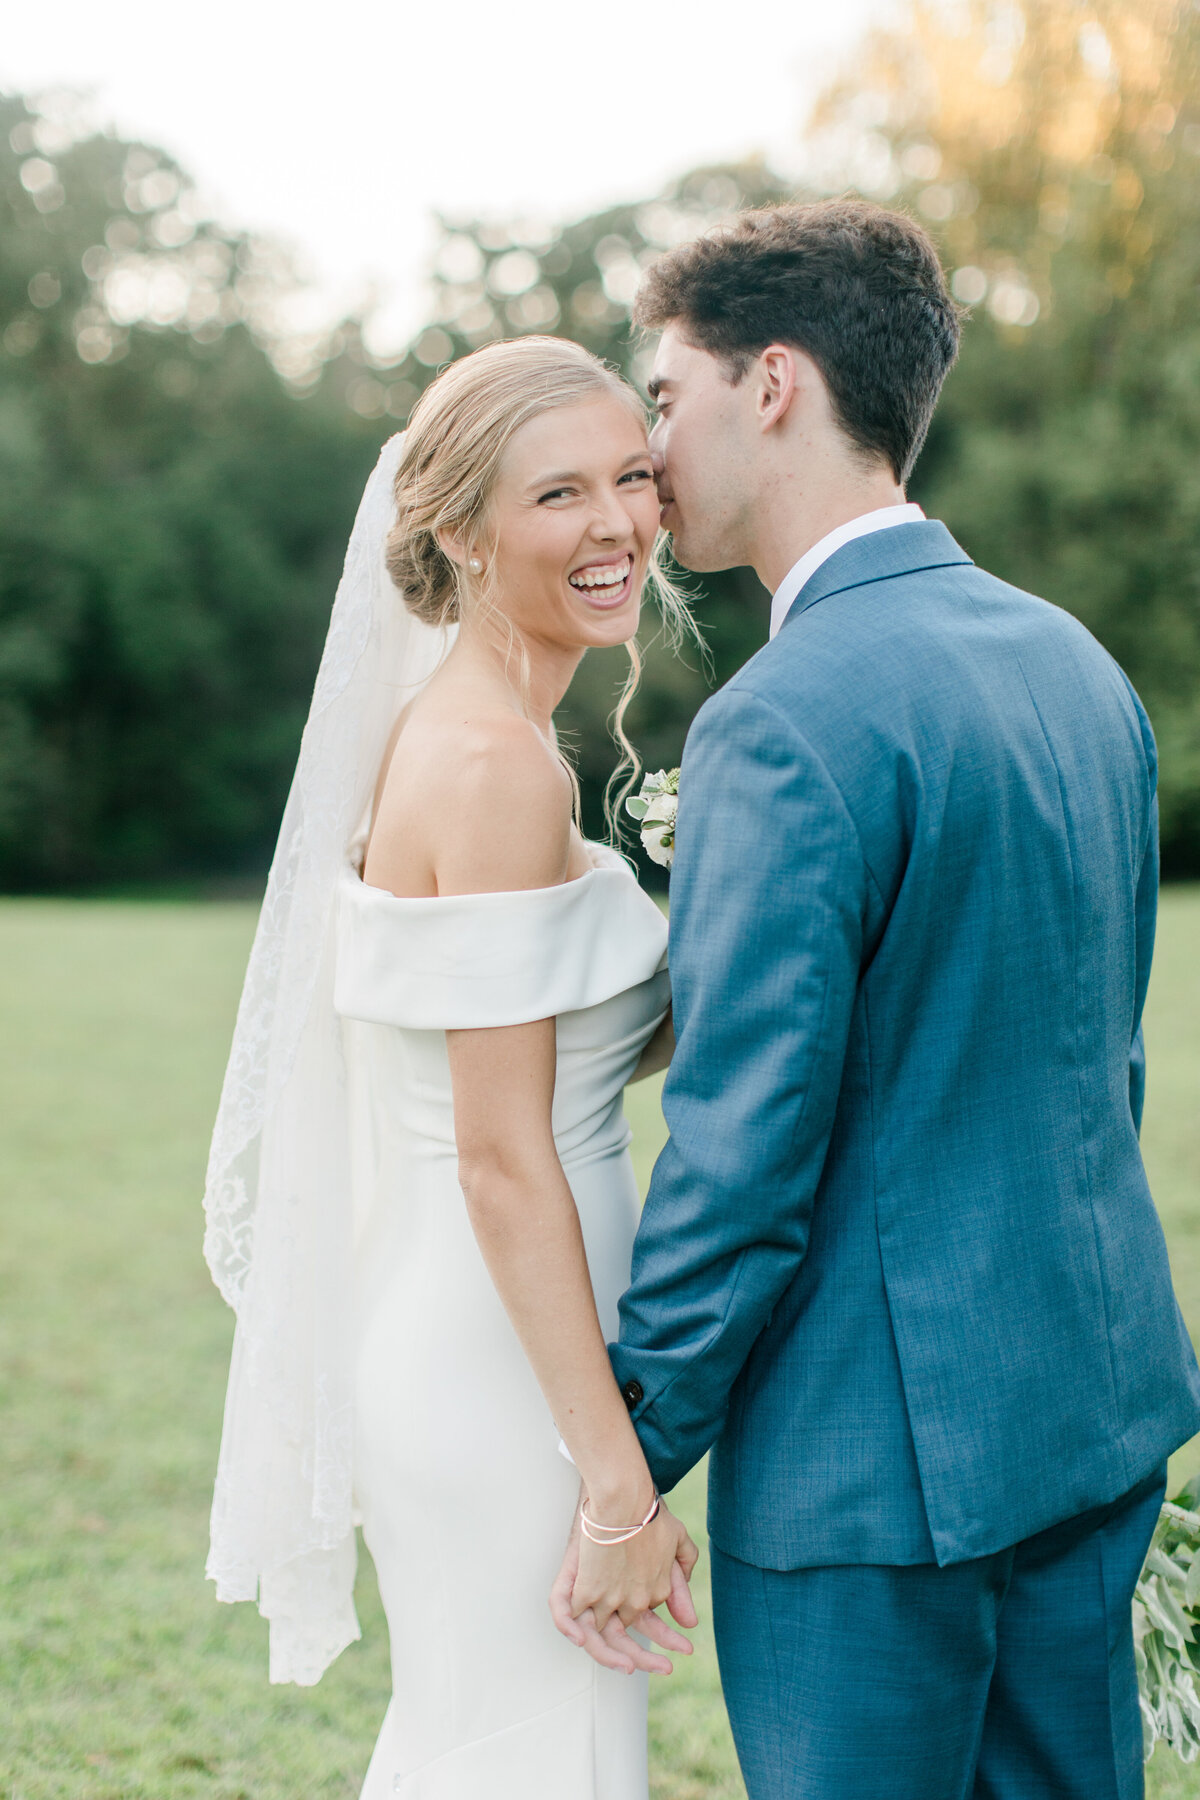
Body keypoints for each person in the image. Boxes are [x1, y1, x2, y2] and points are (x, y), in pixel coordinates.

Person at [556, 200, 1200, 1798]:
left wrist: (624, 1462)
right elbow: (1094, 1064)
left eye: (665, 392)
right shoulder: (1076, 665)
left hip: (874, 1464)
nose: (651, 444)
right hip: (1091, 1400)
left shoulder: (781, 721)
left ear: (772, 384)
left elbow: (743, 1154)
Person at [203, 334, 699, 1800]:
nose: (615, 525)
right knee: (519, 1751)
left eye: (631, 477)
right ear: (462, 533)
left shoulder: (476, 736)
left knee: (514, 1740)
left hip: (502, 1329)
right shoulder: (491, 769)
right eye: (559, 495)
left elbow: (571, 1046)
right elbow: (499, 1149)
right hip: (501, 1356)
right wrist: (610, 1475)